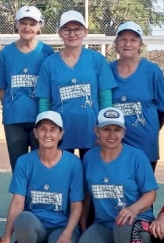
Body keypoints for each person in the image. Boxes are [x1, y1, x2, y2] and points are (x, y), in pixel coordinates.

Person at [0, 111, 83, 243]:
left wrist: (68, 234)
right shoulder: (24, 162)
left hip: (61, 228)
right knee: (23, 218)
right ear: (36, 132)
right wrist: (6, 240)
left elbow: (77, 206)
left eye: (53, 129)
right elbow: (17, 203)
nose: (48, 134)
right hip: (36, 226)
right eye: (43, 129)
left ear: (61, 134)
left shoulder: (73, 163)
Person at [76, 107, 157, 243]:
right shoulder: (89, 157)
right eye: (106, 129)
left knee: (123, 224)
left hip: (138, 225)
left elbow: (151, 194)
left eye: (117, 129)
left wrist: (133, 209)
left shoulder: (137, 157)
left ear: (124, 132)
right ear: (97, 131)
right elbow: (87, 195)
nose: (111, 134)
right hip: (105, 224)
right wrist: (83, 225)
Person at [35, 10, 115, 158]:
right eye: (67, 29)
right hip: (60, 133)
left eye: (77, 29)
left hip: (91, 132)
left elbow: (105, 98)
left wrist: (106, 128)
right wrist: (44, 130)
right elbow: (44, 101)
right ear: (59, 33)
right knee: (64, 177)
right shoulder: (49, 63)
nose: (72, 34)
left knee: (90, 177)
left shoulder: (96, 59)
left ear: (85, 32)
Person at [0, 6, 54, 169]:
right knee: (18, 164)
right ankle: (20, 195)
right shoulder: (6, 52)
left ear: (39, 26)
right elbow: (2, 89)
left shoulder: (47, 52)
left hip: (40, 119)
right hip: (14, 119)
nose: (27, 27)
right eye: (23, 23)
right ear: (16, 25)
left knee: (40, 163)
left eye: (32, 23)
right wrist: (13, 106)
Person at [109, 21, 164, 171]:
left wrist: (148, 129)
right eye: (123, 39)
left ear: (140, 44)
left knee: (143, 192)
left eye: (133, 40)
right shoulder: (107, 70)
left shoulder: (152, 71)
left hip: (144, 147)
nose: (127, 44)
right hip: (114, 145)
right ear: (116, 43)